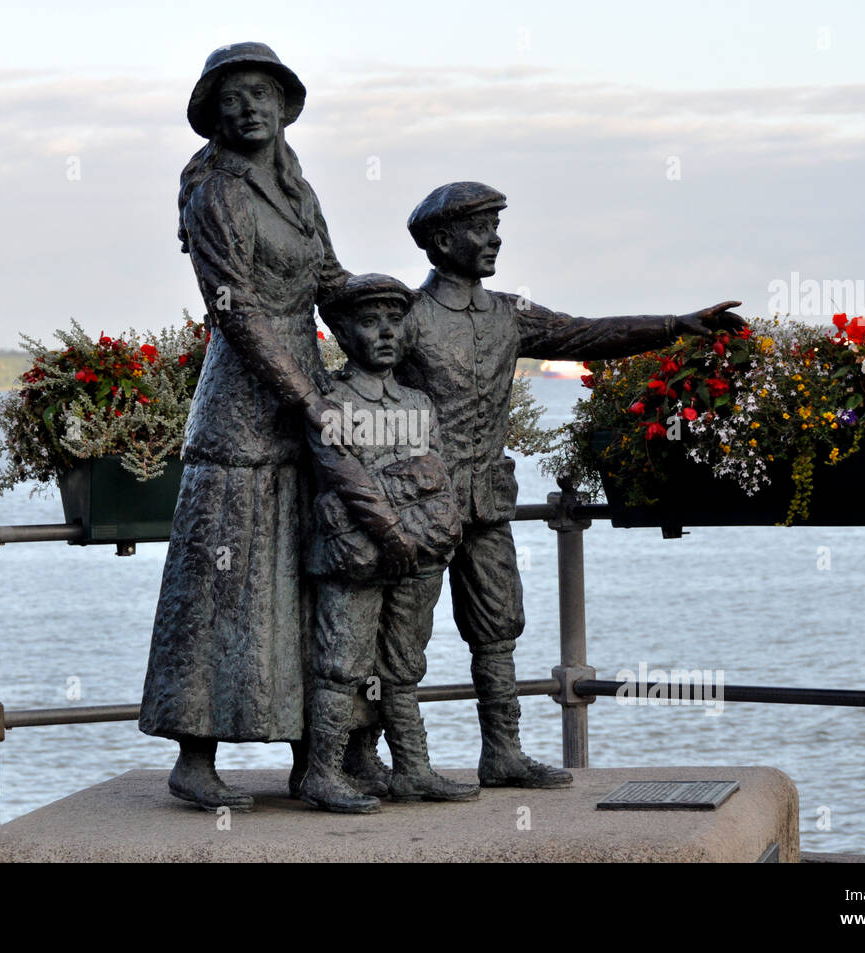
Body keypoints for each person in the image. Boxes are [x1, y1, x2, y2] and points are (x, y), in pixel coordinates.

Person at [138, 43, 415, 811]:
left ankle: (314, 754)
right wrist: (307, 396)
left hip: (303, 401)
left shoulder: (297, 192)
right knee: (221, 581)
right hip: (241, 409)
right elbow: (236, 310)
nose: (247, 107)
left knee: (305, 574)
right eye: (231, 96)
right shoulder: (214, 193)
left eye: (261, 93)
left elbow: (329, 283)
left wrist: (398, 322)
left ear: (286, 106)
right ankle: (194, 756)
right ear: (212, 113)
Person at [397, 181, 745, 788]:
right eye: (481, 227)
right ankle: (403, 764)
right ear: (441, 240)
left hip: (486, 501)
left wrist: (675, 325)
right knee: (403, 634)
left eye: (496, 225)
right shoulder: (405, 317)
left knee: (498, 626)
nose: (495, 238)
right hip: (421, 505)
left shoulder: (508, 314)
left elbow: (589, 335)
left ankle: (501, 753)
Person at [300, 273, 478, 813]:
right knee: (342, 664)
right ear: (343, 334)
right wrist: (403, 497)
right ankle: (323, 772)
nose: (385, 333)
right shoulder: (328, 401)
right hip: (354, 555)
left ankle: (412, 768)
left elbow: (437, 473)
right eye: (369, 322)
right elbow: (342, 475)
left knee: (404, 664)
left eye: (395, 322)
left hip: (419, 556)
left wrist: (412, 502)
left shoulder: (418, 403)